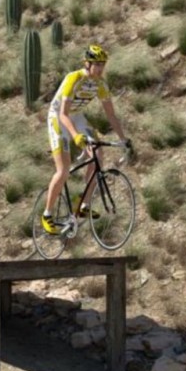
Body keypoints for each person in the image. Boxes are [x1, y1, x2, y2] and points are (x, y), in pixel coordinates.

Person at [42, 44, 131, 234]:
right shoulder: (74, 78)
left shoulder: (100, 84)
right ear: (87, 64)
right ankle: (47, 214)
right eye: (97, 64)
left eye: (103, 65)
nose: (100, 69)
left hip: (77, 116)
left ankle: (83, 204)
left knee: (98, 154)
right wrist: (76, 137)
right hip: (58, 117)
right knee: (63, 169)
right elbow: (63, 114)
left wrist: (123, 139)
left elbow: (111, 115)